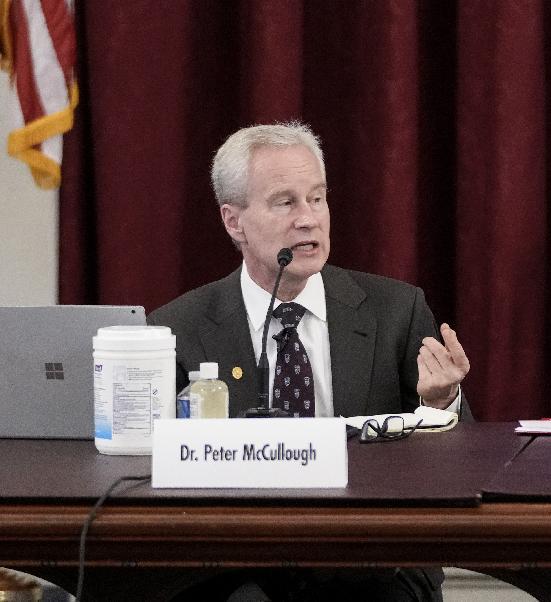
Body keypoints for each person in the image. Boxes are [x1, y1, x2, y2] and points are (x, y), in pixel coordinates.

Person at [149, 122, 469, 601]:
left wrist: (440, 404)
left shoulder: (396, 312)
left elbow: (460, 467)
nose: (308, 219)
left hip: (372, 558)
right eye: (285, 202)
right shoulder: (178, 329)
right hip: (237, 563)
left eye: (317, 198)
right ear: (234, 221)